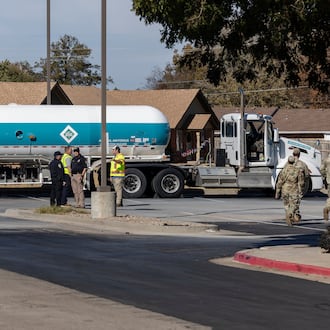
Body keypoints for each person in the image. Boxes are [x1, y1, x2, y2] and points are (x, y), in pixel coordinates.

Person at [275, 156, 305, 226]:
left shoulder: (283, 171)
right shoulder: (297, 170)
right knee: (293, 205)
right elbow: (301, 182)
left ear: (288, 161)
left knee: (286, 205)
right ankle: (290, 215)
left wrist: (277, 193)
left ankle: (289, 216)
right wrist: (301, 190)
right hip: (294, 189)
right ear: (294, 162)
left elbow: (279, 182)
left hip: (285, 189)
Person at [292, 147, 310, 217]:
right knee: (297, 199)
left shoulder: (289, 163)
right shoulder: (303, 164)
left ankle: (291, 211)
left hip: (290, 185)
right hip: (299, 185)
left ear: (293, 154)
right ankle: (295, 213)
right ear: (299, 155)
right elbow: (307, 175)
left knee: (291, 199)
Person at [320, 153, 330, 220]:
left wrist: (325, 177)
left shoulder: (326, 160)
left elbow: (321, 169)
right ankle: (327, 207)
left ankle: (327, 207)